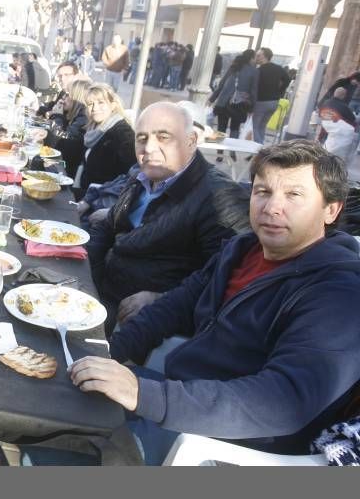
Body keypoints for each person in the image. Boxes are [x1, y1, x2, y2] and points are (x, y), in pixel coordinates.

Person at [71, 139, 360, 464]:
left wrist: (146, 395)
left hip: (227, 443)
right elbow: (177, 304)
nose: (272, 207)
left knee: (62, 456)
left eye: (294, 195)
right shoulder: (243, 249)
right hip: (180, 391)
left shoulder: (339, 292)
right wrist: (112, 351)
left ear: (330, 209)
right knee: (63, 399)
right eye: (263, 191)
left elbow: (286, 399)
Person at [86, 102, 250, 336]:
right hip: (102, 288)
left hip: (141, 320)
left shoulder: (219, 196)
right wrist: (85, 277)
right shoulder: (142, 174)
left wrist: (160, 298)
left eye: (163, 137)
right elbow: (108, 227)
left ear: (191, 141)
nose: (149, 148)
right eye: (141, 138)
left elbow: (226, 277)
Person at [77, 83, 136, 192]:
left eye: (101, 103)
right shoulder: (92, 128)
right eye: (90, 104)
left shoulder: (123, 134)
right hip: (85, 193)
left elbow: (128, 178)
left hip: (101, 201)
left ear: (112, 105)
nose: (95, 108)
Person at [44, 79, 91, 191]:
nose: (63, 98)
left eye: (67, 95)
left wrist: (57, 117)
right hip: (63, 167)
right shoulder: (74, 116)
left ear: (77, 99)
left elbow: (58, 145)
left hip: (69, 176)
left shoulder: (83, 119)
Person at [208, 49, 258, 139]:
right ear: (251, 58)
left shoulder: (234, 67)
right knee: (235, 127)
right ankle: (232, 150)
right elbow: (253, 91)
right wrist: (252, 108)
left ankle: (219, 148)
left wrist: (212, 99)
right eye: (254, 58)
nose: (255, 60)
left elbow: (222, 84)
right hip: (240, 103)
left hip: (224, 101)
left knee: (221, 126)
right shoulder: (254, 71)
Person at [252, 47, 291, 144]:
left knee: (255, 127)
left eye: (258, 55)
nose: (256, 57)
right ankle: (260, 147)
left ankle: (259, 149)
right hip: (274, 102)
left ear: (265, 57)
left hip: (261, 102)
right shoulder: (278, 68)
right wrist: (280, 91)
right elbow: (287, 79)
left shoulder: (259, 70)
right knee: (262, 126)